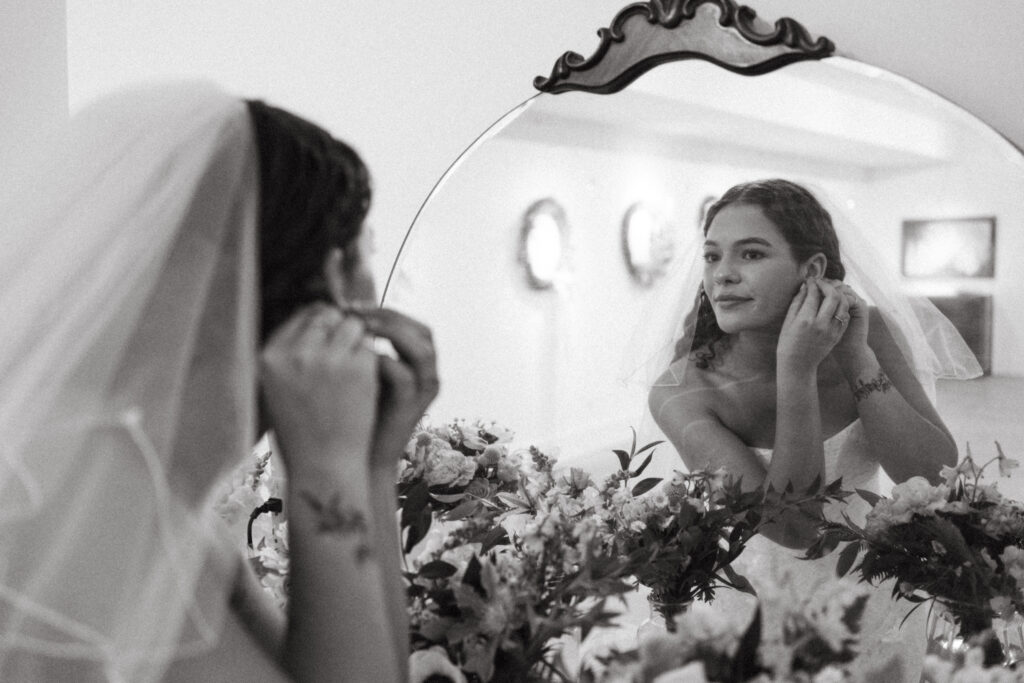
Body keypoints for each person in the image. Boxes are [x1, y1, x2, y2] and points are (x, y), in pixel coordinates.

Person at [0, 82, 438, 682]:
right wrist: (325, 466)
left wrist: (372, 467)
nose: (376, 305)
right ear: (319, 289)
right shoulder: (88, 488)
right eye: (360, 256)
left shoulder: (160, 497)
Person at [645, 179, 981, 680]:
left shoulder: (872, 332)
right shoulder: (684, 391)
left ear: (814, 270)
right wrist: (797, 370)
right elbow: (793, 528)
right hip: (755, 613)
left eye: (751, 254)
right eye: (713, 257)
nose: (724, 275)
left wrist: (857, 357)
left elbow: (932, 475)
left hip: (873, 597)